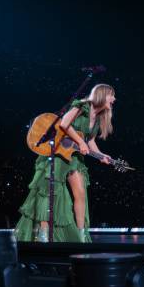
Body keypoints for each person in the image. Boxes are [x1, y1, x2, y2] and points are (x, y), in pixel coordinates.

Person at [14, 83, 116, 242]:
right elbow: (63, 123)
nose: (114, 99)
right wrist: (79, 142)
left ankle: (81, 235)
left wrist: (101, 155)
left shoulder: (98, 119)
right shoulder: (82, 106)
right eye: (112, 95)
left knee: (80, 194)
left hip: (75, 158)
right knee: (48, 193)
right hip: (58, 154)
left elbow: (89, 141)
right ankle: (43, 233)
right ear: (102, 94)